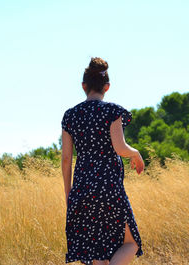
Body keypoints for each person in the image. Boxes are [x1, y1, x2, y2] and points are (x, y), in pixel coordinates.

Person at [61, 57, 145, 265]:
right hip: (109, 189)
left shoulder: (70, 116)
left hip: (81, 190)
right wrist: (136, 153)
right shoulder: (111, 111)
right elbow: (120, 148)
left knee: (97, 256)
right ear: (107, 87)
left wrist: (69, 194)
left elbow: (65, 159)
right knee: (131, 244)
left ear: (83, 86)